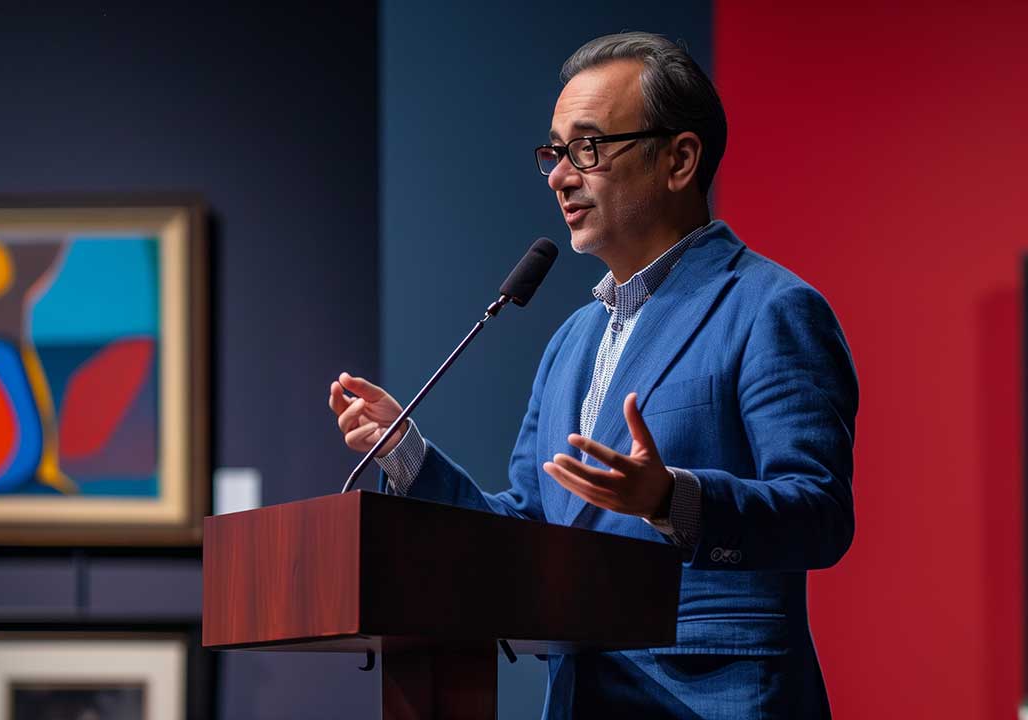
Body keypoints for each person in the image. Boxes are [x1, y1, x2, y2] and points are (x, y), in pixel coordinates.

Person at [328, 31, 856, 719]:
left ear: (679, 159)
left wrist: (674, 500)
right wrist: (408, 456)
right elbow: (524, 534)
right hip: (585, 698)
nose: (559, 176)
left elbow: (820, 514)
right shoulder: (571, 342)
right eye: (555, 151)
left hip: (715, 697)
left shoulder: (771, 309)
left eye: (588, 147)